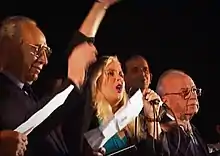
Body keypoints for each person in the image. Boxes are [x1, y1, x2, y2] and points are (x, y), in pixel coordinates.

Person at [0, 0, 119, 155]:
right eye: (37, 50)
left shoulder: (30, 92)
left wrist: (100, 6)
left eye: (46, 52)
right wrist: (72, 82)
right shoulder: (4, 93)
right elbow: (32, 125)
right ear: (8, 47)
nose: (44, 60)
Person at [79, 56, 162, 156]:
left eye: (120, 74)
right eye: (110, 73)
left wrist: (152, 118)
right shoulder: (86, 119)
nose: (119, 78)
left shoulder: (135, 121)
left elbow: (155, 151)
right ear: (97, 81)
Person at [156, 69, 210, 156]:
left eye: (194, 90)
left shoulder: (192, 128)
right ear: (165, 101)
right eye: (185, 92)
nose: (194, 96)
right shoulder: (160, 134)